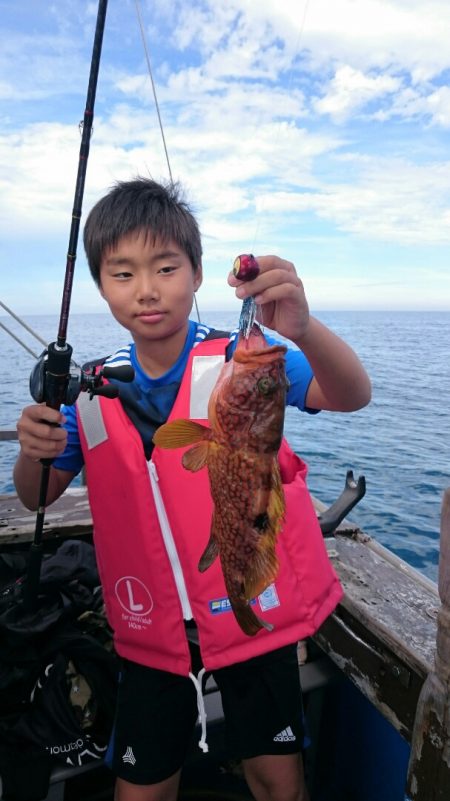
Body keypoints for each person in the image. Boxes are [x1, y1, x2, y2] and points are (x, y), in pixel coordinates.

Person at [14, 177, 371, 801]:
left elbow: (350, 395)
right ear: (101, 285)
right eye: (122, 274)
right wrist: (32, 452)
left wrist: (304, 329)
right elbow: (34, 497)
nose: (147, 289)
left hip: (250, 615)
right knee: (141, 790)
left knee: (277, 782)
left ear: (198, 273)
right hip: (150, 631)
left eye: (166, 267)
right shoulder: (90, 396)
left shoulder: (247, 363)